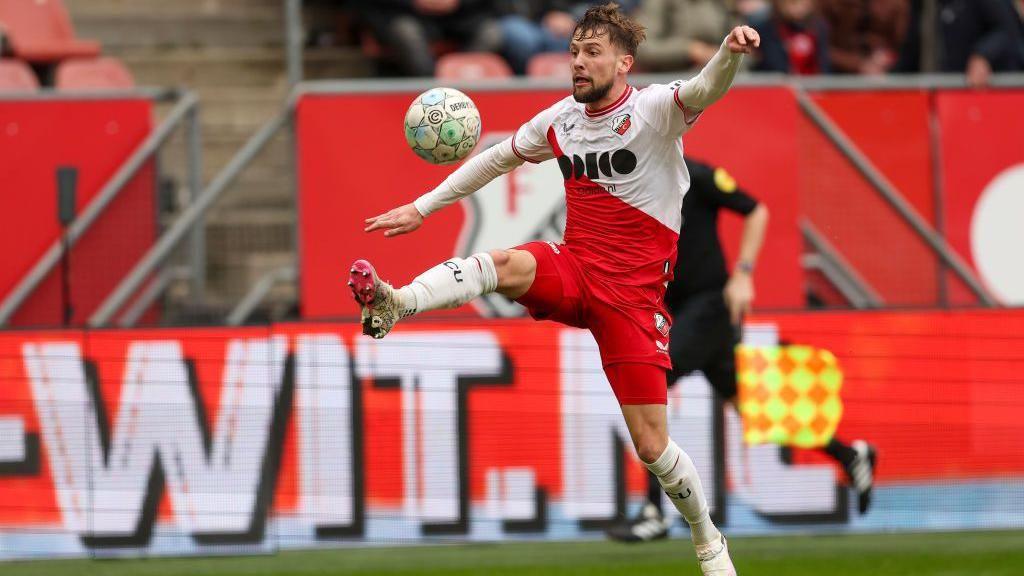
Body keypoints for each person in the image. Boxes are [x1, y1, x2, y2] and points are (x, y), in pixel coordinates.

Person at [350, 4, 759, 573]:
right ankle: (398, 303)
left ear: (624, 62)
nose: (578, 63)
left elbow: (705, 88)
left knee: (653, 447)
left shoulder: (654, 111)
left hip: (633, 302)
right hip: (576, 268)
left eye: (592, 52)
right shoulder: (561, 120)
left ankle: (707, 537)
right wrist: (422, 207)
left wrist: (728, 53)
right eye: (573, 52)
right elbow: (493, 160)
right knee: (504, 263)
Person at [604, 159, 878, 543]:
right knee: (753, 407)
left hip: (709, 305)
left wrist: (744, 273)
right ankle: (849, 455)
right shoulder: (632, 183)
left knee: (650, 380)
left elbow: (756, 210)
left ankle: (655, 511)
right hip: (675, 309)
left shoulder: (694, 175)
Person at [357, 0, 503, 77]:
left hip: (461, 17)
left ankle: (458, 84)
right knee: (405, 32)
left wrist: (456, 2)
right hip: (408, 15)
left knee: (492, 33)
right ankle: (431, 92)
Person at [895, 0, 1022, 87]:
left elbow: (1009, 30)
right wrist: (885, 77)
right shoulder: (924, 5)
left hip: (980, 96)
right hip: (937, 99)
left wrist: (983, 55)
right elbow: (913, 51)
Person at [635, 0, 736, 71]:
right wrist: (689, 50)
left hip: (722, 76)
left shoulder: (719, 4)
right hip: (672, 83)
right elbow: (642, 47)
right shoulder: (658, 3)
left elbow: (738, 41)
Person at [820, 0, 908, 75]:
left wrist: (885, 57)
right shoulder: (830, 3)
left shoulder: (896, 4)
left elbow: (900, 46)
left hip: (883, 74)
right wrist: (859, 65)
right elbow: (820, 48)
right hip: (836, 77)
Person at [750, 0, 831, 74]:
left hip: (814, 86)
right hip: (779, 85)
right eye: (792, 2)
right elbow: (772, 62)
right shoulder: (766, 29)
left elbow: (823, 63)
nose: (797, 7)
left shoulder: (819, 28)